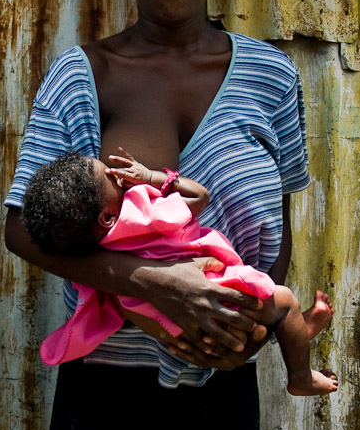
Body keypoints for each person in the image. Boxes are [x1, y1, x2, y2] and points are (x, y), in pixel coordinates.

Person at [4, 0, 321, 430]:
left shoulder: (272, 77)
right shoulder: (82, 77)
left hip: (223, 380)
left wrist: (247, 332)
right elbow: (23, 228)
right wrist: (157, 286)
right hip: (103, 389)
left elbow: (277, 231)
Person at [21, 148, 337, 396]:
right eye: (113, 178)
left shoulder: (93, 258)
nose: (121, 178)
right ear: (106, 218)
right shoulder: (139, 215)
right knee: (284, 302)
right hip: (213, 291)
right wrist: (151, 177)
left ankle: (292, 336)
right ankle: (300, 374)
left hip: (170, 326)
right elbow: (199, 196)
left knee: (244, 332)